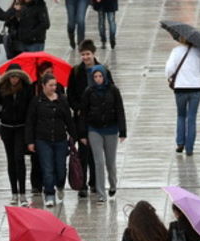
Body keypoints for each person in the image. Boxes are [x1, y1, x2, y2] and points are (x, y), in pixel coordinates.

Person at [67, 39, 114, 197]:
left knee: (96, 153)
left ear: (94, 54)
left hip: (98, 119)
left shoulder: (103, 70)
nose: (85, 57)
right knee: (83, 153)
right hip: (81, 119)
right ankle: (82, 184)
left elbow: (111, 91)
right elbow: (70, 94)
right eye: (82, 54)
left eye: (87, 54)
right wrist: (77, 108)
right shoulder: (75, 72)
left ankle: (94, 183)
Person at [26, 74, 76, 207]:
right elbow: (30, 122)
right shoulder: (36, 102)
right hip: (43, 139)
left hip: (60, 139)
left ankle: (60, 185)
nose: (54, 88)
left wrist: (74, 136)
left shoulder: (62, 100)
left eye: (55, 85)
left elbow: (69, 120)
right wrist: (30, 141)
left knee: (61, 168)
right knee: (47, 168)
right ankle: (49, 193)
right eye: (51, 85)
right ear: (43, 86)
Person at [79, 65, 126, 203]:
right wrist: (82, 134)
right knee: (98, 162)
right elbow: (83, 113)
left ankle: (112, 184)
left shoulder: (113, 90)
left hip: (111, 129)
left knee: (110, 162)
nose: (98, 79)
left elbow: (120, 110)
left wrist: (123, 131)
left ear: (105, 76)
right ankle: (101, 193)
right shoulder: (88, 91)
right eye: (95, 77)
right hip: (94, 129)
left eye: (100, 76)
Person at [0, 64, 34, 206]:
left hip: (21, 128)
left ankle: (22, 193)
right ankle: (14, 192)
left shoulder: (27, 89)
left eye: (16, 76)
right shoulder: (1, 89)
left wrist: (31, 130)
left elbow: (30, 110)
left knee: (19, 158)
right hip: (7, 128)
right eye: (11, 76)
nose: (14, 79)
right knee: (11, 160)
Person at [165, 37, 200, 156]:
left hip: (180, 88)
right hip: (196, 88)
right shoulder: (199, 52)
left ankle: (180, 143)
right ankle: (190, 148)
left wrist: (169, 77)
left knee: (181, 115)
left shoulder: (176, 51)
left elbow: (169, 68)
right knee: (192, 118)